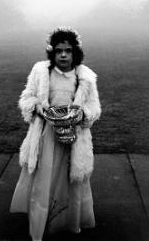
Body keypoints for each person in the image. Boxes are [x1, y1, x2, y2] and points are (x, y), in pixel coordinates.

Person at [9, 26, 101, 241]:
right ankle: (41, 222)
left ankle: (68, 221)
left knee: (70, 178)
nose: (63, 55)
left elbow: (94, 107)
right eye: (59, 50)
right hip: (46, 137)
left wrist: (80, 115)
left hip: (73, 137)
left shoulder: (84, 77)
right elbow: (27, 97)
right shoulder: (41, 72)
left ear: (74, 53)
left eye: (68, 51)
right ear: (52, 52)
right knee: (45, 177)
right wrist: (38, 108)